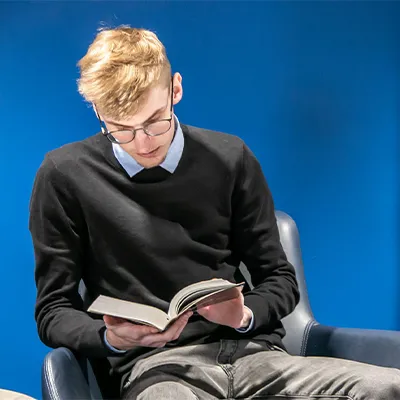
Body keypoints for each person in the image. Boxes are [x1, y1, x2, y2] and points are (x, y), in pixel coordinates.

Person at [29, 26, 400, 400]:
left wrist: (243, 315)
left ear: (176, 89)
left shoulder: (230, 157)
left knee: (388, 387)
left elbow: (279, 280)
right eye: (120, 130)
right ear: (96, 110)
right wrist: (111, 338)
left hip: (259, 359)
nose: (142, 143)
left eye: (155, 120)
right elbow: (53, 310)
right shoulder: (64, 175)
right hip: (158, 370)